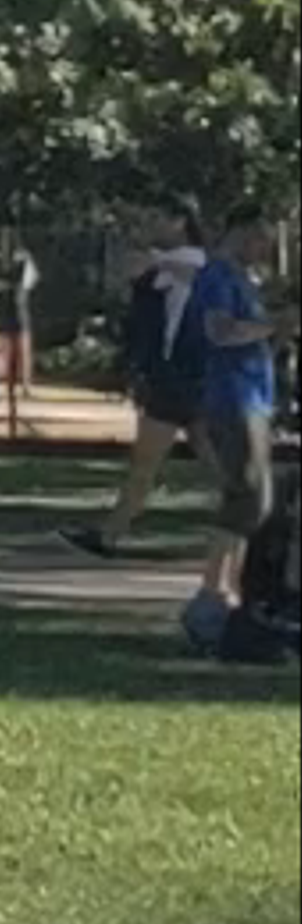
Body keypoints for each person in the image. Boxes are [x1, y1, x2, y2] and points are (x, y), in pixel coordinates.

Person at [70, 209, 213, 558]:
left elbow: (149, 276)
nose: (152, 226)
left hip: (173, 378)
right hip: (189, 377)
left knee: (146, 465)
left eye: (159, 219)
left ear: (180, 222)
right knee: (214, 464)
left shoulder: (184, 261)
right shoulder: (183, 264)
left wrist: (152, 267)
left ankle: (110, 535)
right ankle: (111, 533)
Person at [179, 220, 279, 657]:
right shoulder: (218, 276)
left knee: (255, 500)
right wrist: (273, 325)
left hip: (256, 397)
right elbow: (220, 331)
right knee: (248, 496)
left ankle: (230, 591)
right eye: (262, 238)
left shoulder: (245, 279)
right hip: (233, 398)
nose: (267, 249)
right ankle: (211, 593)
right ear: (241, 233)